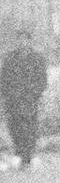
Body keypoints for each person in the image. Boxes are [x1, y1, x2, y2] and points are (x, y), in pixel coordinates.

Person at [0, 27, 48, 168]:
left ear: (29, 41)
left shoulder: (37, 58)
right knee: (15, 127)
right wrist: (6, 96)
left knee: (30, 126)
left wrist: (35, 94)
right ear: (17, 41)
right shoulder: (10, 58)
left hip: (30, 99)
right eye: (20, 39)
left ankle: (28, 155)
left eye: (25, 39)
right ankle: (19, 153)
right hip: (13, 100)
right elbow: (3, 79)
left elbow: (42, 79)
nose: (23, 42)